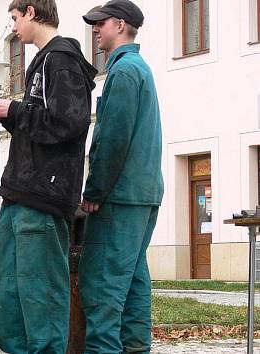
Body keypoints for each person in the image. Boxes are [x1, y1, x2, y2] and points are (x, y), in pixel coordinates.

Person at [0, 0, 97, 353]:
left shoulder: (61, 59)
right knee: (7, 289)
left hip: (44, 198)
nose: (13, 27)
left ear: (32, 12)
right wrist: (11, 116)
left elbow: (70, 122)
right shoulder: (43, 60)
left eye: (15, 18)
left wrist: (16, 110)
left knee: (40, 293)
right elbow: (44, 121)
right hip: (19, 192)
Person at [79, 1, 163, 353]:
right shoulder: (137, 68)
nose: (96, 30)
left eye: (100, 24)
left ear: (120, 24)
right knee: (133, 285)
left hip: (120, 197)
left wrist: (94, 190)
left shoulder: (124, 71)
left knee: (103, 290)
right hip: (142, 195)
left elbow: (113, 138)